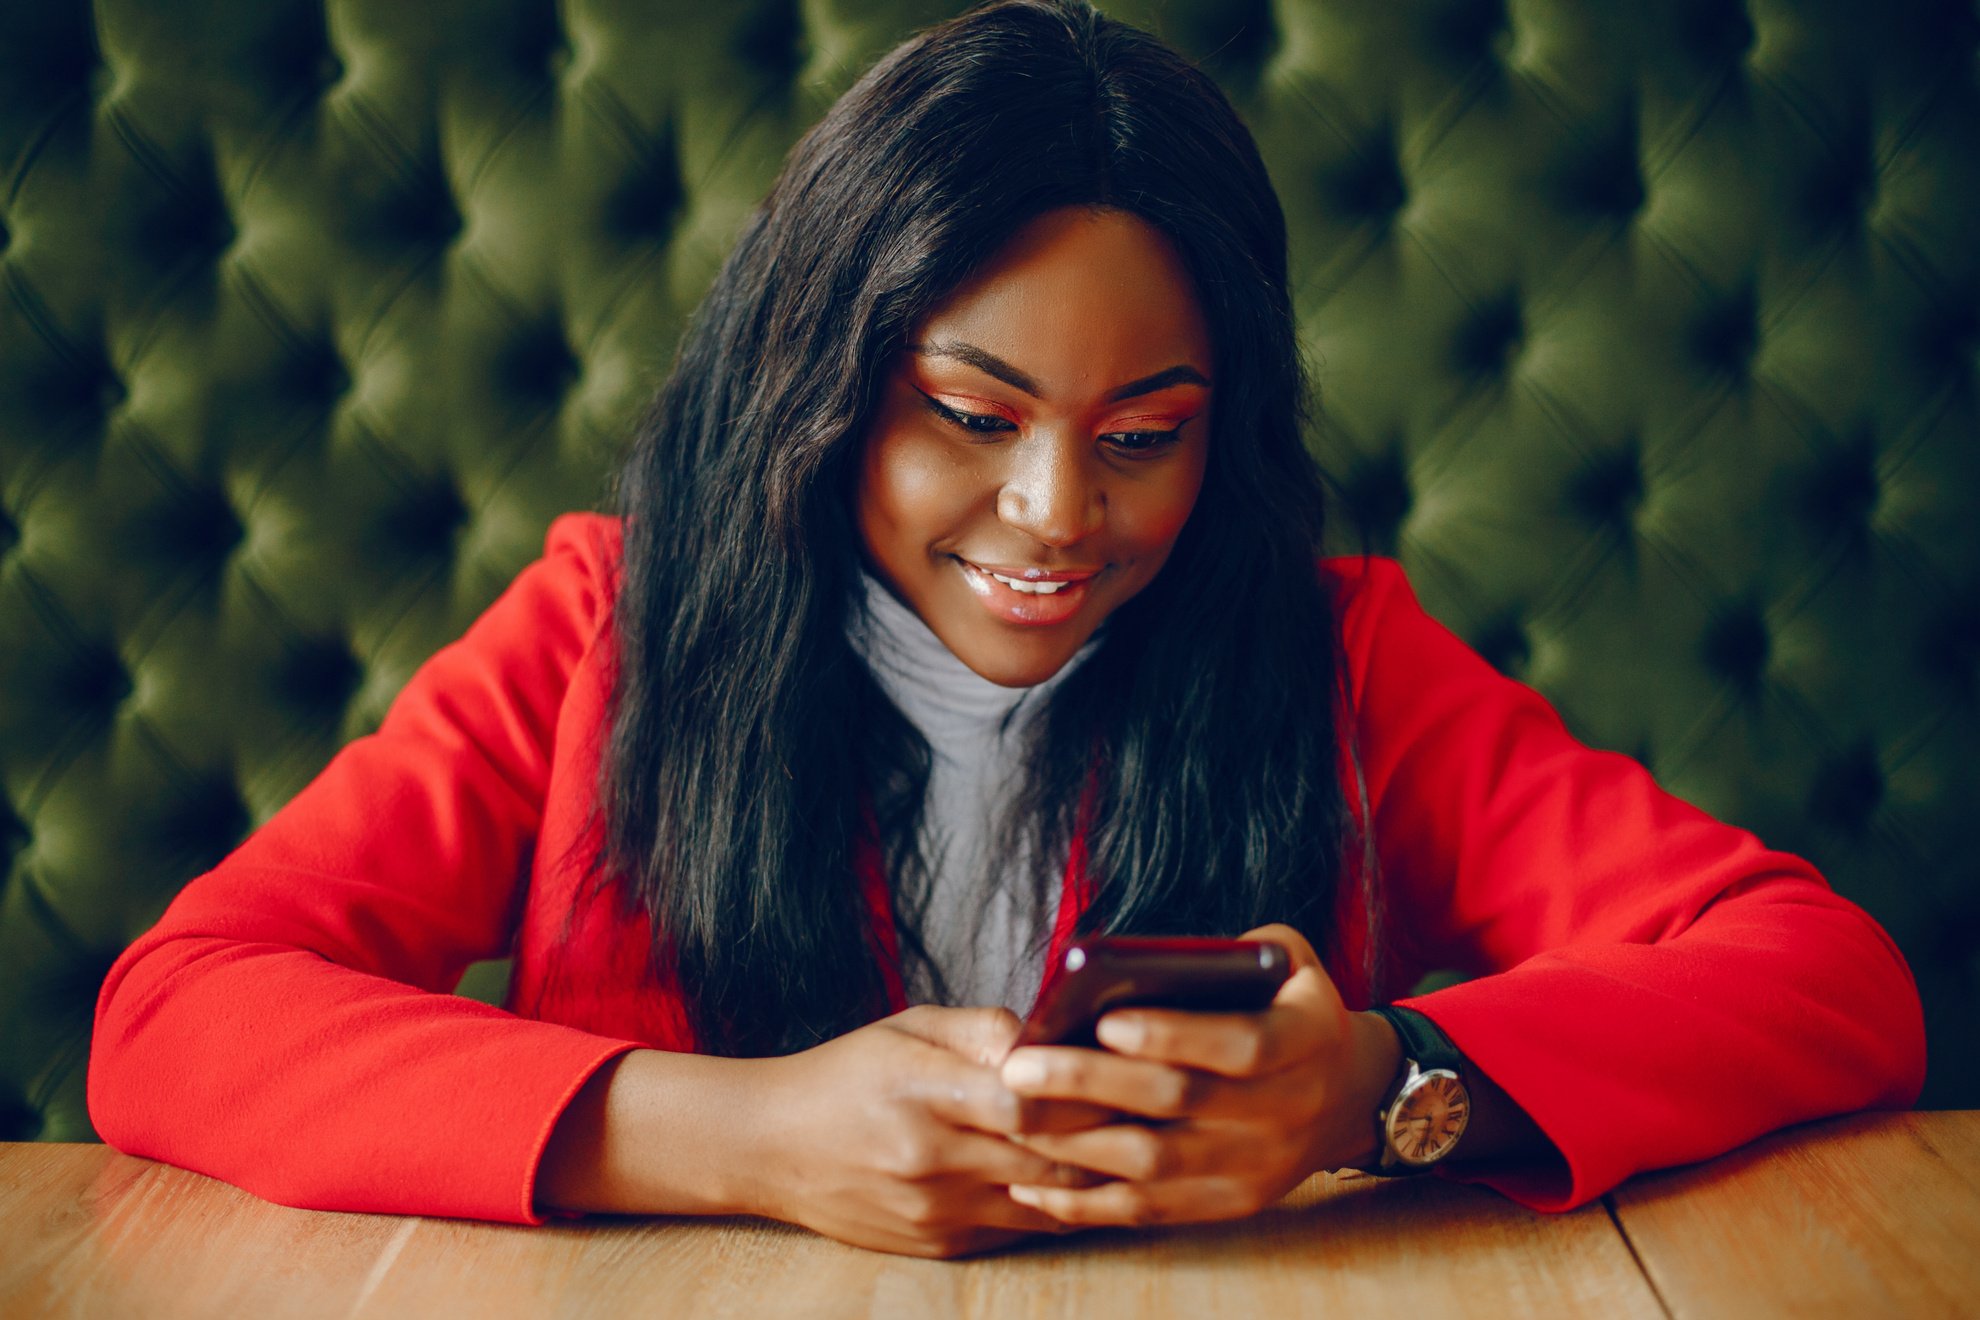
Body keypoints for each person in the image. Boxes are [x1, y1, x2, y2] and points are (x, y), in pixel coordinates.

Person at [88, 0, 1924, 1259]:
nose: (1059, 516)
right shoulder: (601, 630)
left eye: (1146, 437)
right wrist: (743, 1140)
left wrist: (1378, 1084)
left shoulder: (1338, 652)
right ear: (817, 386)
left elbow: (1823, 972)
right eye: (968, 418)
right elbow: (175, 1014)